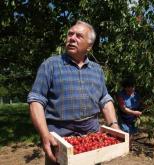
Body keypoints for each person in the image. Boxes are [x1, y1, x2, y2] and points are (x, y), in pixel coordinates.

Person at [27, 20, 119, 165]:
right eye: (70, 34)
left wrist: (113, 124)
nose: (72, 38)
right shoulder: (50, 65)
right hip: (59, 140)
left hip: (91, 138)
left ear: (89, 46)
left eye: (78, 36)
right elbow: (36, 100)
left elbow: (104, 99)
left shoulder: (97, 70)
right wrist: (45, 135)